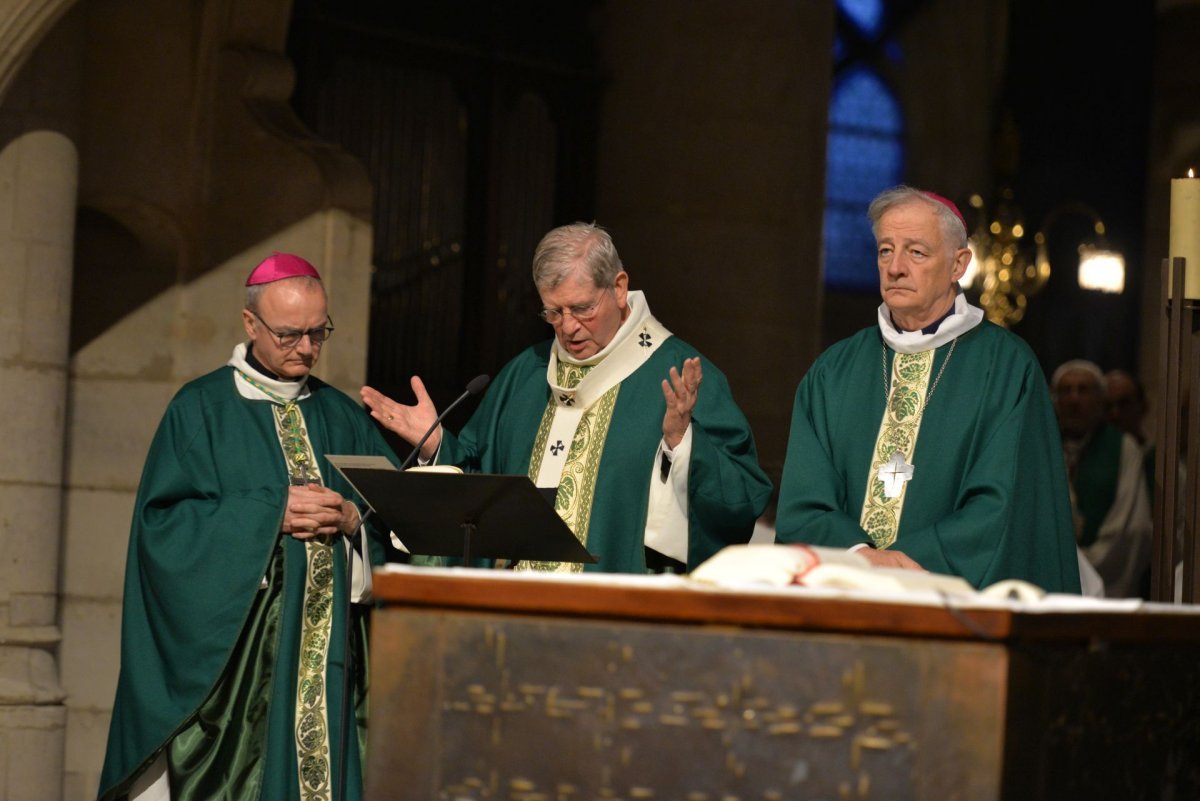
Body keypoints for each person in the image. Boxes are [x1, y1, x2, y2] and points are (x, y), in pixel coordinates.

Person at [99, 253, 399, 801]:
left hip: (332, 667)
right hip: (241, 678)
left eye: (317, 332)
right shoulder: (201, 409)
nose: (306, 349)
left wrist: (356, 520)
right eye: (289, 335)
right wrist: (267, 514)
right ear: (249, 324)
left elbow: (399, 521)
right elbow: (163, 530)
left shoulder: (343, 416)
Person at [361, 222, 772, 573]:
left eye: (581, 309)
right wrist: (438, 446)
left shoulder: (680, 373)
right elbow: (478, 488)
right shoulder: (526, 373)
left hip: (615, 618)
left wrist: (683, 445)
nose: (568, 328)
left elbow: (741, 497)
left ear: (619, 288)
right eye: (553, 313)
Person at [774, 185, 1081, 593]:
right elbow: (804, 500)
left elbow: (1009, 506)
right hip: (842, 592)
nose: (895, 267)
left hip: (950, 607)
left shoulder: (1006, 367)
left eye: (916, 252)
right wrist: (857, 555)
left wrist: (910, 560)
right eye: (885, 250)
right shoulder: (833, 372)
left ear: (959, 264)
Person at [1054, 359, 1153, 598]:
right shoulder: (1039, 444)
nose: (1074, 399)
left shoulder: (1122, 447)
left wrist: (1081, 567)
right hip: (1050, 574)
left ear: (1100, 401)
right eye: (1065, 391)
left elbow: (1131, 527)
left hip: (1106, 580)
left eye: (1083, 390)